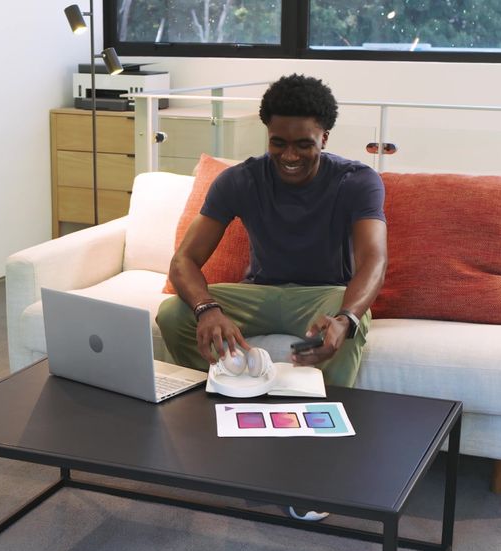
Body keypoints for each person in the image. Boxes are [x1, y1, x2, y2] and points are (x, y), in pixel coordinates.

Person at [157, 74, 387, 389]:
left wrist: (347, 316)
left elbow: (374, 259)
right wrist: (206, 309)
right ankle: (220, 394)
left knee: (344, 323)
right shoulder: (239, 180)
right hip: (258, 294)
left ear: (324, 138)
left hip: (323, 297)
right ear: (268, 134)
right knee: (172, 314)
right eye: (279, 142)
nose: (289, 156)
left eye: (303, 144)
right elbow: (184, 259)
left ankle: (328, 415)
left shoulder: (357, 181)